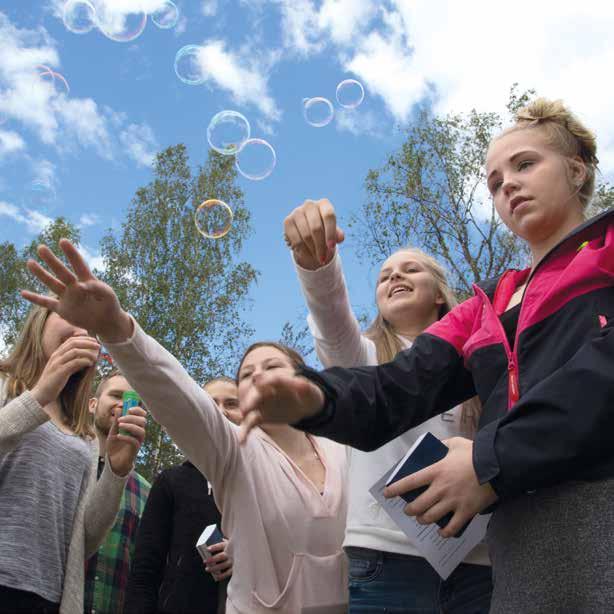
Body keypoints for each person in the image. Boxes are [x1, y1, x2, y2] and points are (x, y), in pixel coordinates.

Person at [239, 98, 614, 613]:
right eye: (493, 181)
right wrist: (314, 397)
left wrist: (487, 459)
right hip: (521, 553)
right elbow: (395, 387)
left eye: (525, 164)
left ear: (578, 170)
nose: (506, 185)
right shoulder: (487, 306)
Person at [20, 243, 349, 614]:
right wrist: (116, 327)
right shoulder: (234, 451)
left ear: (304, 377)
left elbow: (352, 359)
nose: (258, 375)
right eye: (246, 374)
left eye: (272, 365)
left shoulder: (346, 447)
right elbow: (177, 394)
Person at [284, 197, 492, 612]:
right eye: (384, 276)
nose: (395, 275)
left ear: (439, 293)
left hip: (477, 562)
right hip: (385, 560)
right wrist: (318, 267)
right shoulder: (363, 358)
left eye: (410, 269)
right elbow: (332, 322)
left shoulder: (480, 361)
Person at [0, 304, 146, 614]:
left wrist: (117, 472)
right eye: (73, 318)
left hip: (49, 598)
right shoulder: (4, 383)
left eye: (91, 330)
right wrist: (39, 395)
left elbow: (86, 538)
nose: (83, 332)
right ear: (40, 322)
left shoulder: (85, 434)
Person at [125, 377, 237, 614]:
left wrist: (243, 555)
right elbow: (146, 570)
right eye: (210, 403)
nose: (221, 411)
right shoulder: (172, 481)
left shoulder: (265, 483)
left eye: (232, 403)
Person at [84, 369, 151, 614]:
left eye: (133, 399)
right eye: (115, 395)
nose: (123, 403)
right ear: (92, 404)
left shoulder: (146, 491)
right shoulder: (65, 464)